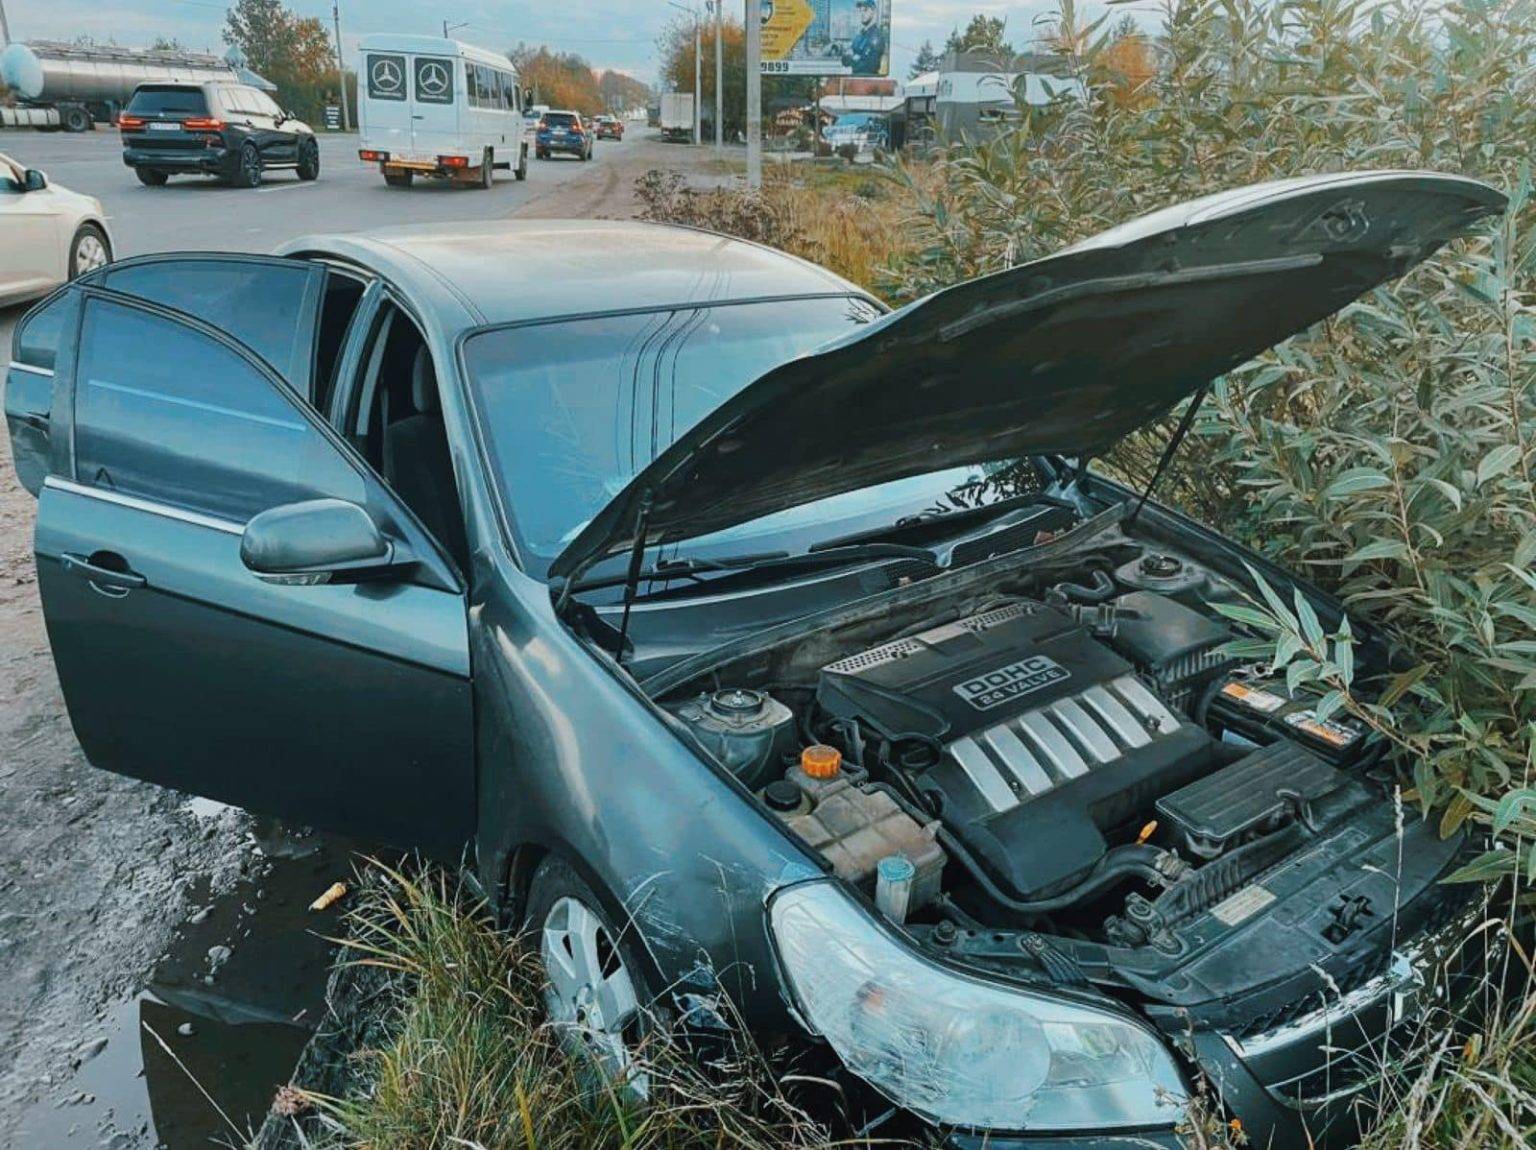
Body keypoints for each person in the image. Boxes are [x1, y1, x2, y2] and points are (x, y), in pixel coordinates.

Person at [841, 0, 886, 76]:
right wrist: (856, 58)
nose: (862, 13)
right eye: (860, 10)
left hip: (869, 83)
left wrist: (851, 58)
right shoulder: (858, 36)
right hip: (853, 81)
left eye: (865, 10)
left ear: (873, 11)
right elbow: (844, 60)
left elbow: (870, 66)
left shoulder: (877, 36)